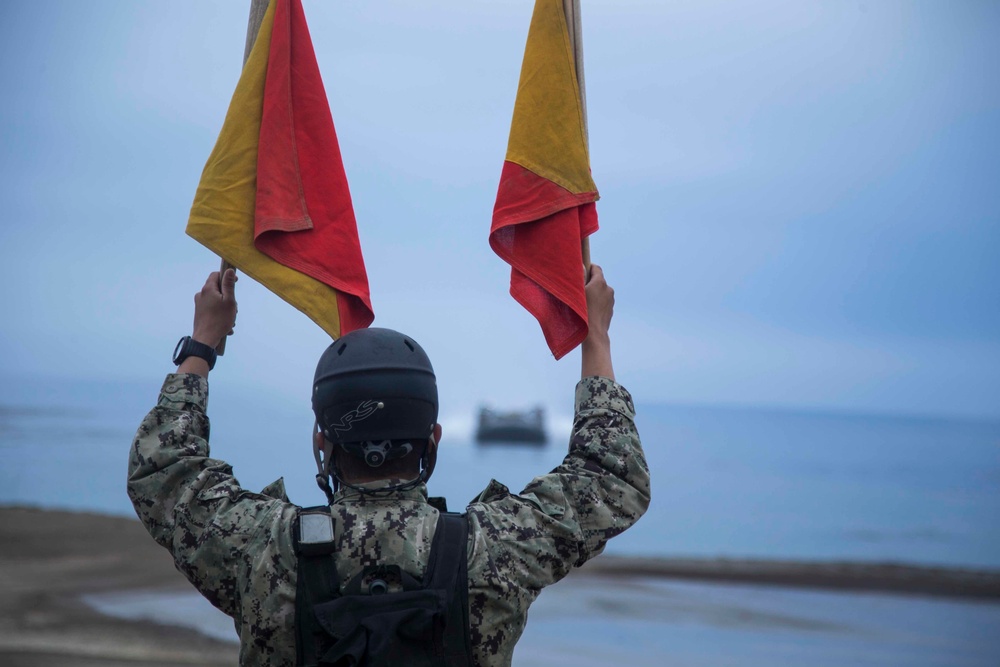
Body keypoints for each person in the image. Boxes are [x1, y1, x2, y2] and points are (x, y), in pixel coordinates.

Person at [128, 265, 650, 667]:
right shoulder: (498, 547)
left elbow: (166, 471)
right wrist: (594, 337)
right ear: (433, 440)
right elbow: (610, 477)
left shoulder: (260, 546)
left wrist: (202, 344)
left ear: (321, 441)